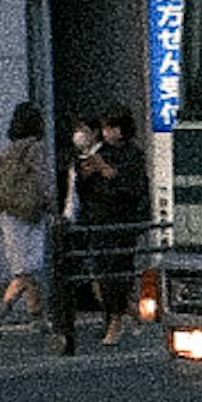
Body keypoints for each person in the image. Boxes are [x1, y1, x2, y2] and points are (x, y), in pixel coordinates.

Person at [66, 109, 146, 343]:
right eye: (105, 128)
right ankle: (126, 312)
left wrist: (106, 171)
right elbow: (82, 188)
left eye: (113, 127)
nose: (108, 133)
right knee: (99, 277)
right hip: (97, 219)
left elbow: (133, 188)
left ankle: (115, 322)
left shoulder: (133, 155)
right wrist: (86, 174)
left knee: (117, 273)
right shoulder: (97, 153)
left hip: (121, 221)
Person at [0, 101, 48, 335]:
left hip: (5, 213)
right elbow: (42, 180)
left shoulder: (6, 151)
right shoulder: (36, 148)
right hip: (28, 212)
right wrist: (51, 203)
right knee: (29, 267)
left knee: (25, 267)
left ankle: (32, 314)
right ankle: (9, 311)